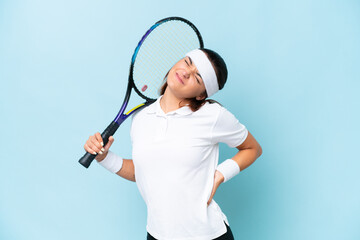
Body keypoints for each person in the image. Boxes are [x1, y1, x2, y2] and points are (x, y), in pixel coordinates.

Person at [83, 48, 262, 240]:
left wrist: (220, 174)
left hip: (206, 235)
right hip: (157, 234)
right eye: (187, 62)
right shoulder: (141, 117)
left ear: (201, 95)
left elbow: (253, 148)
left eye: (198, 77)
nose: (186, 72)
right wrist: (104, 157)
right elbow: (144, 172)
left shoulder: (213, 116)